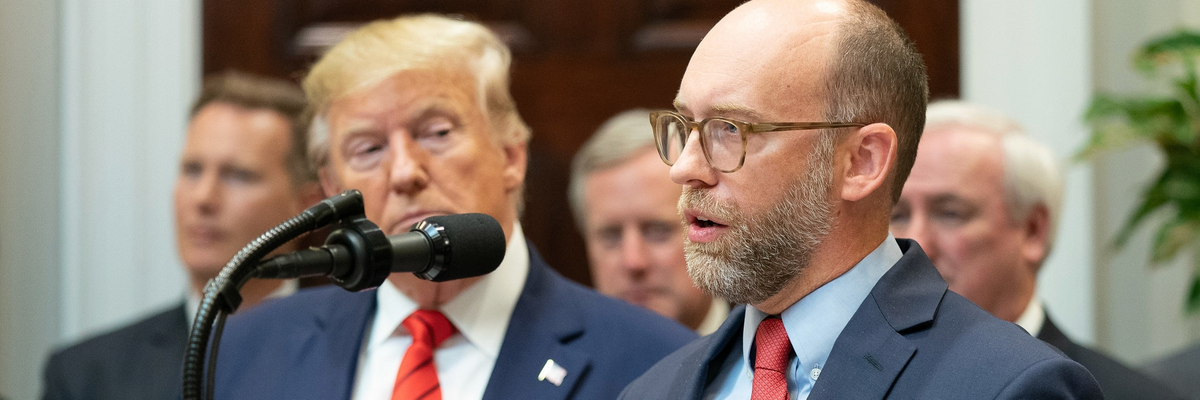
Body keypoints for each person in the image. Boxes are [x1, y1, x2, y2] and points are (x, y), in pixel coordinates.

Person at [620, 0, 1104, 398]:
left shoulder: (1007, 386)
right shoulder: (652, 389)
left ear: (862, 162)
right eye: (684, 125)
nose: (685, 168)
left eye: (729, 130)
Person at [211, 14, 696, 400]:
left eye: (436, 133)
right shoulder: (245, 351)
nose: (404, 172)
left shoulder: (658, 363)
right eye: (368, 149)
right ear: (333, 187)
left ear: (511, 155)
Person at [41, 71, 324, 400]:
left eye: (238, 176)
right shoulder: (87, 375)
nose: (203, 198)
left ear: (306, 206)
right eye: (192, 170)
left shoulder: (353, 350)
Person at [889, 100, 1183, 400]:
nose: (916, 242)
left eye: (950, 213)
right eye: (897, 215)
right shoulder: (855, 377)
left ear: (1033, 231)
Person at [569, 109, 729, 334]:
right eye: (611, 236)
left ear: (709, 223)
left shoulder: (766, 355)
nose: (634, 262)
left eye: (657, 231)